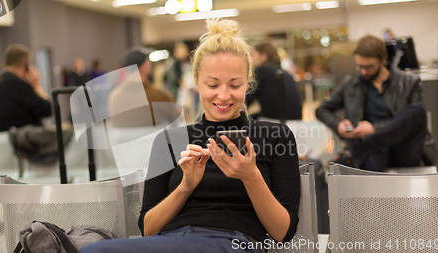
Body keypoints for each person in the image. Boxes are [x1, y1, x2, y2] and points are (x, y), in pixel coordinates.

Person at [81, 19, 300, 253]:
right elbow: (148, 228)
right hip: (169, 241)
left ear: (247, 84)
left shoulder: (274, 136)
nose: (224, 95)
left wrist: (251, 177)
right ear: (196, 82)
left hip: (236, 242)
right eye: (213, 85)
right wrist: (186, 185)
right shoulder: (170, 139)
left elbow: (282, 233)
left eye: (234, 85)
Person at [316, 34, 436, 172]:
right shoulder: (350, 84)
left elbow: (412, 123)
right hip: (373, 150)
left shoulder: (409, 82)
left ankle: (355, 150)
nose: (363, 71)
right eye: (359, 66)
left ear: (383, 60)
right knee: (372, 155)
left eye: (369, 66)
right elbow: (321, 109)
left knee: (417, 111)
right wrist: (338, 125)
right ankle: (361, 149)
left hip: (402, 147)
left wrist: (375, 128)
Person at [0, 44, 51, 132]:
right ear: (25, 64)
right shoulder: (16, 85)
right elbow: (47, 109)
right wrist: (36, 86)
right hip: (20, 143)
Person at [108, 48, 176, 127]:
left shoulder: (113, 97)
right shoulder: (160, 96)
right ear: (144, 67)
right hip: (154, 139)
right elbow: (179, 120)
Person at [246, 42, 302, 121]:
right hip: (296, 122)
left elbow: (246, 100)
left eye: (253, 55)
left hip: (276, 122)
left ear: (264, 57)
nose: (251, 60)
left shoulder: (261, 70)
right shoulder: (285, 73)